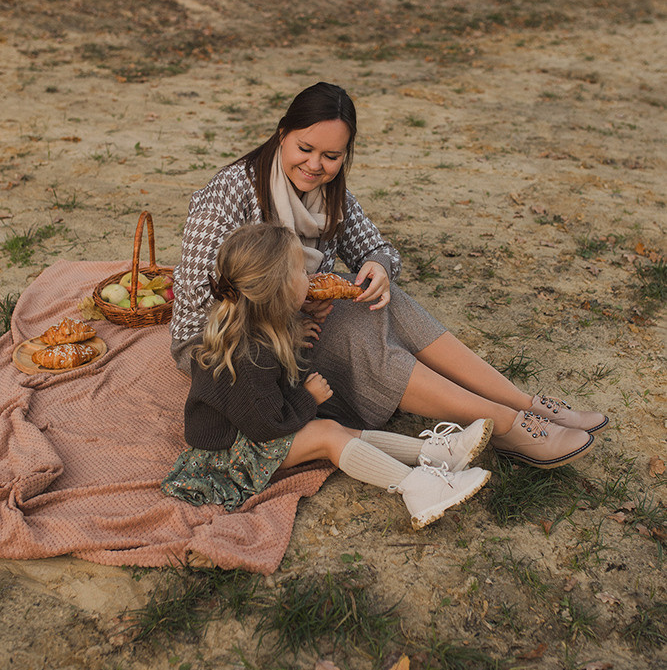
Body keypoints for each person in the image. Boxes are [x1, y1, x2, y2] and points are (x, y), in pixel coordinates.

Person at [170, 81, 607, 468]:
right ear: (283, 134)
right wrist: (292, 313)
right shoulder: (230, 191)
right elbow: (199, 297)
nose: (316, 165)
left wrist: (378, 267)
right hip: (228, 342)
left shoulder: (329, 194)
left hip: (296, 316)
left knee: (385, 298)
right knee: (355, 335)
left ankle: (522, 402)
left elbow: (378, 249)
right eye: (305, 149)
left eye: (331, 155)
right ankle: (507, 426)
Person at [162, 224, 493, 530]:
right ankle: (419, 489)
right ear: (279, 291)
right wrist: (308, 399)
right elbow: (266, 426)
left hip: (247, 432)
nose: (312, 276)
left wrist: (294, 338)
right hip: (229, 457)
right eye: (303, 272)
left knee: (333, 428)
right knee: (327, 436)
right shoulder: (249, 357)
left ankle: (435, 454)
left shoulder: (259, 328)